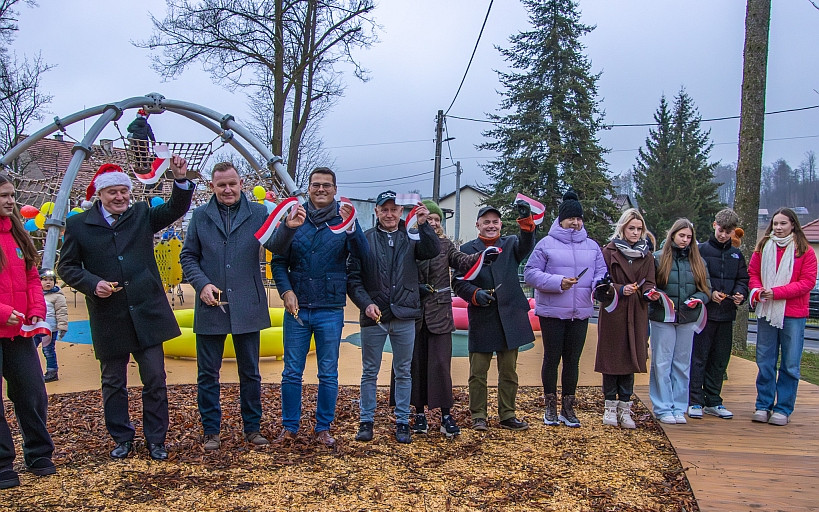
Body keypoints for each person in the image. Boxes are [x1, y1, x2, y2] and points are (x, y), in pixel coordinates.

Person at [58, 160, 194, 461]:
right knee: (113, 382)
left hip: (147, 312)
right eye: (113, 193)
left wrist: (180, 179)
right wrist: (93, 284)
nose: (120, 197)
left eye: (124, 192)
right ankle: (121, 437)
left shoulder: (141, 214)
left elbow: (174, 209)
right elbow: (66, 266)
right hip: (109, 315)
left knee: (155, 378)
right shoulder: (80, 225)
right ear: (100, 195)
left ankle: (156, 439)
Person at [180, 162, 284, 451]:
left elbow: (277, 245)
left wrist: (288, 228)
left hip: (247, 304)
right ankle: (211, 430)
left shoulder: (260, 213)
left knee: (250, 372)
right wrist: (202, 284)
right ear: (212, 186)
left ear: (241, 184)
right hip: (211, 305)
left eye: (232, 184)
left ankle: (252, 428)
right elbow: (188, 256)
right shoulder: (200, 216)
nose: (227, 189)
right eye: (221, 184)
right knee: (207, 373)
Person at [268, 167, 368, 448]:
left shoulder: (344, 219)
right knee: (291, 372)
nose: (321, 189)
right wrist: (286, 290)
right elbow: (277, 260)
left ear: (335, 189)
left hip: (330, 308)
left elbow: (364, 256)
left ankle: (323, 427)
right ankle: (290, 427)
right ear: (308, 188)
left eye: (326, 185)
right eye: (316, 185)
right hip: (297, 310)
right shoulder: (294, 217)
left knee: (328, 372)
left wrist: (353, 227)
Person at [347, 191, 439, 444]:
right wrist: (365, 304)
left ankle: (402, 421)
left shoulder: (412, 237)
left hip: (405, 314)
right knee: (369, 372)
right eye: (384, 209)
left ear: (401, 212)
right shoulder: (364, 240)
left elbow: (432, 250)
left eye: (394, 209)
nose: (389, 214)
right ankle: (366, 420)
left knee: (403, 371)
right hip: (374, 316)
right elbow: (353, 279)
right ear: (376, 211)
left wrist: (423, 224)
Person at [401, 200, 489, 438]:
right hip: (415, 311)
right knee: (416, 363)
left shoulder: (445, 244)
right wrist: (413, 287)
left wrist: (482, 257)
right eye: (429, 219)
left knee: (441, 364)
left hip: (440, 312)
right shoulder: (410, 243)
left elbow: (461, 260)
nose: (433, 223)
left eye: (437, 219)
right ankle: (419, 413)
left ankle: (446, 415)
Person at [524, 189, 607, 428]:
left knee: (573, 360)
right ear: (561, 220)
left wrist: (600, 285)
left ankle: (568, 408)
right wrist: (557, 282)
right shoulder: (545, 244)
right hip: (552, 312)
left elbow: (600, 273)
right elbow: (530, 273)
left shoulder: (592, 246)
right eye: (571, 218)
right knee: (552, 358)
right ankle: (550, 405)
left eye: (579, 218)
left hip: (580, 312)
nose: (576, 222)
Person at [453, 201, 536, 432]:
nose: (491, 226)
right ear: (478, 225)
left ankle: (507, 414)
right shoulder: (467, 250)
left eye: (495, 222)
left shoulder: (510, 244)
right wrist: (475, 294)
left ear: (500, 224)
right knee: (478, 372)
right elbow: (458, 282)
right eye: (486, 222)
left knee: (509, 371)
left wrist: (526, 220)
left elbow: (527, 244)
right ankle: (478, 414)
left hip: (511, 316)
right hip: (482, 316)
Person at [0, 174, 56, 489]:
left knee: (32, 392)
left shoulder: (18, 235)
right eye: (3, 196)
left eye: (11, 195)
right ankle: (2, 463)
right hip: (4, 321)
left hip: (18, 331)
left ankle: (38, 453)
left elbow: (32, 277)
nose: (10, 201)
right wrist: (4, 312)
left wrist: (37, 310)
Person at [748, 207, 817, 426]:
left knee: (790, 363)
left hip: (793, 314)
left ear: (793, 225)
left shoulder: (805, 251)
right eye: (775, 224)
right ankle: (763, 405)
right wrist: (758, 290)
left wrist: (777, 293)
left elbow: (807, 282)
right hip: (767, 312)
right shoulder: (763, 247)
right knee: (765, 360)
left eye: (783, 224)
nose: (778, 228)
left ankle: (783, 408)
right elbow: (753, 274)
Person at [593, 208, 656, 429]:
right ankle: (610, 406)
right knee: (612, 359)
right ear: (622, 228)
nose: (636, 233)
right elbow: (600, 281)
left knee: (631, 358)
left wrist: (649, 293)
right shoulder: (608, 252)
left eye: (639, 229)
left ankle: (625, 406)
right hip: (614, 310)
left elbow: (649, 281)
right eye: (632, 228)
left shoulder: (646, 255)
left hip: (637, 311)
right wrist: (619, 289)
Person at [648, 218, 711, 425]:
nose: (685, 240)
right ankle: (662, 406)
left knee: (682, 364)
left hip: (687, 318)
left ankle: (679, 406)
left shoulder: (699, 262)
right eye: (681, 235)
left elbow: (706, 290)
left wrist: (698, 299)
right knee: (662, 362)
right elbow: (651, 286)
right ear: (673, 235)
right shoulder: (658, 258)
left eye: (688, 237)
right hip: (662, 318)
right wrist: (658, 297)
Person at [688, 208, 748, 420]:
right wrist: (709, 293)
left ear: (734, 232)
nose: (723, 235)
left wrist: (740, 294)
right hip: (704, 314)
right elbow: (695, 278)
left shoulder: (736, 254)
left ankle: (713, 400)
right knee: (699, 357)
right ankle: (695, 400)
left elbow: (743, 279)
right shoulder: (700, 250)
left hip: (727, 314)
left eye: (728, 231)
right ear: (714, 225)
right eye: (721, 230)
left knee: (720, 359)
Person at [35, 268, 68, 382]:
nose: (48, 282)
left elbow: (62, 312)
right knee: (30, 350)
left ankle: (52, 371)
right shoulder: (35, 295)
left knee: (48, 350)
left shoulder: (57, 296)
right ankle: (31, 372)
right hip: (35, 328)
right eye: (44, 280)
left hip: (49, 330)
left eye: (50, 280)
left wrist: (62, 327)